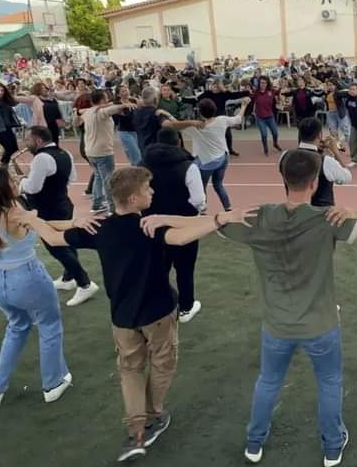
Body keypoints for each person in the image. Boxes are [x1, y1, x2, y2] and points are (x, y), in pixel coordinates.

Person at [142, 148, 357, 467]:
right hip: (320, 326)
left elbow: (198, 225)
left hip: (276, 326)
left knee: (268, 382)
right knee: (329, 383)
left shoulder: (258, 217)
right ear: (314, 183)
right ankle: (332, 447)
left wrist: (162, 218)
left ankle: (254, 442)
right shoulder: (328, 219)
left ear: (283, 179)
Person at [23, 167, 254, 462]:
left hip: (122, 316)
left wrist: (32, 219)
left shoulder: (101, 227)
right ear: (133, 198)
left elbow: (54, 238)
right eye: (147, 189)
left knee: (130, 370)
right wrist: (221, 219)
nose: (152, 192)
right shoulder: (148, 227)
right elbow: (182, 237)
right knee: (162, 364)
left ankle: (136, 431)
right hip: (158, 313)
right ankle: (153, 417)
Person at [0, 167, 79, 409]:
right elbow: (48, 231)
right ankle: (52, 384)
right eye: (11, 180)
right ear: (0, 188)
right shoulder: (14, 213)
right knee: (50, 326)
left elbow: (40, 223)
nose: (16, 181)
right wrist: (76, 224)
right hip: (28, 277)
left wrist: (73, 222)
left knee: (16, 328)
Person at [18, 127, 100, 307]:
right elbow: (72, 178)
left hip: (47, 209)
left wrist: (21, 181)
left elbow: (33, 188)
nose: (25, 143)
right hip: (63, 204)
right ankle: (68, 278)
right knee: (66, 242)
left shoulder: (41, 158)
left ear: (38, 141)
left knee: (56, 247)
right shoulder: (65, 153)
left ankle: (85, 283)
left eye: (28, 140)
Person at [141, 127, 206, 323]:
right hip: (183, 225)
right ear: (178, 142)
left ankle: (158, 304)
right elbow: (198, 200)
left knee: (158, 266)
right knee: (185, 268)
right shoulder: (188, 166)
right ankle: (186, 307)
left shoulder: (142, 164)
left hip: (152, 225)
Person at [173, 97, 251, 212]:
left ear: (200, 112)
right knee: (218, 184)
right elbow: (238, 119)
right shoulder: (222, 120)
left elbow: (174, 124)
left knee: (201, 186)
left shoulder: (195, 127)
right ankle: (228, 207)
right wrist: (244, 105)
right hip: (223, 158)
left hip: (207, 163)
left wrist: (166, 114)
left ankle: (203, 210)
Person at [78, 90, 134, 214]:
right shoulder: (102, 113)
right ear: (102, 100)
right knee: (108, 179)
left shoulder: (88, 112)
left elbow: (79, 114)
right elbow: (113, 109)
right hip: (103, 152)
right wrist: (125, 105)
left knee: (98, 177)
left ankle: (97, 204)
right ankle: (112, 208)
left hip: (90, 151)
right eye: (106, 98)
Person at [283, 117, 351, 207]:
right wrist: (336, 153)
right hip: (321, 211)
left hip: (295, 209)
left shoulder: (285, 156)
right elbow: (347, 178)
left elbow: (305, 158)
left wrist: (319, 150)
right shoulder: (326, 161)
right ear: (319, 135)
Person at [249, 77, 283, 156]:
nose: (263, 84)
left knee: (275, 133)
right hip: (260, 118)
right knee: (264, 134)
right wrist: (249, 94)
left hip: (270, 116)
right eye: (261, 83)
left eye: (264, 83)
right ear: (259, 83)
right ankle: (265, 148)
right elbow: (250, 98)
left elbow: (278, 92)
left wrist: (280, 87)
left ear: (267, 83)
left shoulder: (271, 91)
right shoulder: (256, 92)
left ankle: (275, 143)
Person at [113, 84, 143, 165]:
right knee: (136, 157)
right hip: (125, 132)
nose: (126, 92)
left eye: (126, 90)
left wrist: (138, 102)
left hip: (136, 131)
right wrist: (124, 106)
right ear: (118, 94)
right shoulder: (117, 103)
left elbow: (142, 108)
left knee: (138, 155)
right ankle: (136, 170)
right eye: (123, 91)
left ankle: (134, 170)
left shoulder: (133, 101)